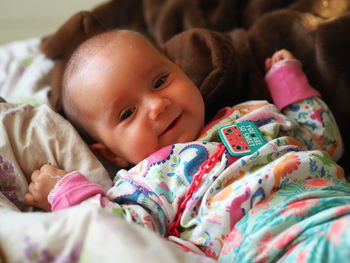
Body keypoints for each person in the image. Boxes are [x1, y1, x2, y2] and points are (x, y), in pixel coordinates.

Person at [25, 30, 350, 262]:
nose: (157, 105)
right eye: (127, 113)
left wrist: (285, 82)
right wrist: (65, 191)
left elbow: (324, 142)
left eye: (159, 81)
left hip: (333, 202)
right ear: (111, 154)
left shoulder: (252, 112)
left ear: (181, 70)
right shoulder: (147, 180)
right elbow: (122, 232)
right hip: (270, 243)